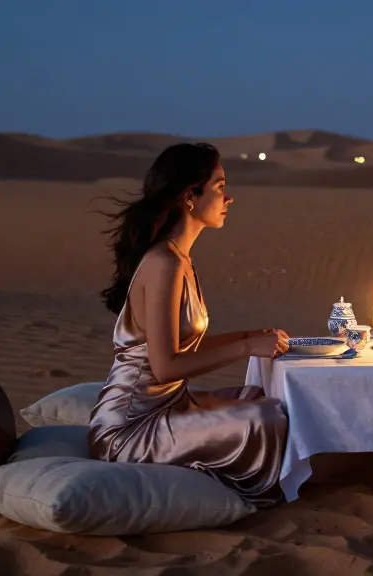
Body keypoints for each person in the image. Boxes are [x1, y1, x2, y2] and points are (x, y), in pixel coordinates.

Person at [88, 142, 291, 507]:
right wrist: (246, 348)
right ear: (190, 197)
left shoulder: (179, 260)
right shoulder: (164, 263)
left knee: (260, 399)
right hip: (131, 428)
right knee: (265, 420)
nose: (229, 198)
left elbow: (184, 347)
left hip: (170, 406)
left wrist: (252, 336)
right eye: (219, 186)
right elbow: (166, 366)